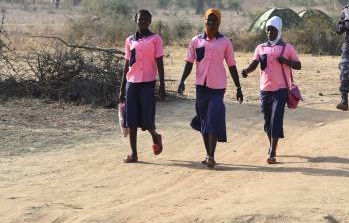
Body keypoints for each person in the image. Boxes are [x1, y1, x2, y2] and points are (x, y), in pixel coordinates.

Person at [177, 9, 243, 169]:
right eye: (208, 20)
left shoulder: (225, 42)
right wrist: (182, 80)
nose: (211, 23)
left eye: (214, 20)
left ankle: (211, 156)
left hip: (218, 87)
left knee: (213, 118)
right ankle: (208, 153)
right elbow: (189, 63)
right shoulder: (196, 41)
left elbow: (232, 66)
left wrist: (238, 87)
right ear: (204, 21)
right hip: (201, 87)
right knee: (204, 120)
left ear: (219, 22)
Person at [241, 17, 301, 164]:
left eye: (272, 29)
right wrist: (246, 71)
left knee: (276, 119)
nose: (269, 32)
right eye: (267, 29)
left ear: (279, 30)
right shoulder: (260, 48)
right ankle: (271, 144)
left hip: (281, 90)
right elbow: (254, 64)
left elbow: (298, 65)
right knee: (267, 120)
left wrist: (286, 61)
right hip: (265, 89)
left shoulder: (287, 48)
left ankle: (273, 151)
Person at [118, 9, 166, 163]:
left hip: (148, 81)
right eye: (140, 19)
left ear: (150, 22)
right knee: (131, 118)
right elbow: (127, 64)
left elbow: (159, 61)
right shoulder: (130, 40)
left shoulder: (155, 39)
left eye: (146, 20)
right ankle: (134, 153)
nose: (143, 22)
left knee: (146, 117)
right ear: (136, 20)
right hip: (131, 82)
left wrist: (162, 84)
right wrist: (122, 88)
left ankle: (155, 136)